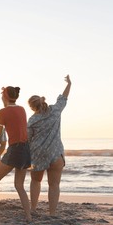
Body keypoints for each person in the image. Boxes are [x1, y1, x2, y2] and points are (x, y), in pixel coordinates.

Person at [0, 86, 32, 222]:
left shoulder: (3, 112)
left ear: (5, 97)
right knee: (19, 186)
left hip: (15, 149)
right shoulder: (22, 109)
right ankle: (28, 216)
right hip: (26, 150)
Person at [28, 75, 72, 216]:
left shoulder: (32, 119)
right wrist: (69, 84)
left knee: (35, 181)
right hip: (56, 154)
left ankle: (33, 209)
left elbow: (28, 139)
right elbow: (63, 98)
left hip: (38, 155)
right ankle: (52, 213)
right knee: (54, 185)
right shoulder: (55, 111)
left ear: (31, 107)